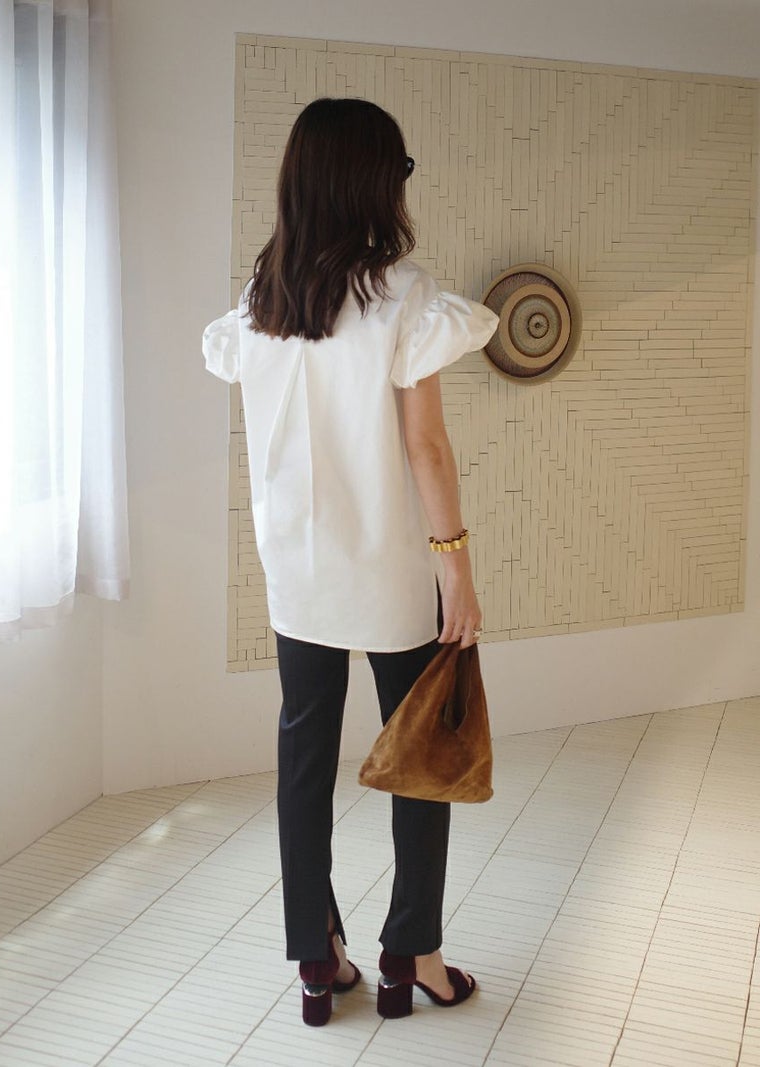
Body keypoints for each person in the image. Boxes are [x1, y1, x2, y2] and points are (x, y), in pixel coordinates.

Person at [202, 97, 499, 1027]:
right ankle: (415, 953)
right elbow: (427, 448)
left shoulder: (259, 303)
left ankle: (314, 957)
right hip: (390, 572)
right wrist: (456, 566)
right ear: (370, 181)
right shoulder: (403, 297)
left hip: (297, 573)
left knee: (302, 759)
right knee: (420, 756)